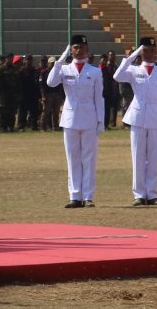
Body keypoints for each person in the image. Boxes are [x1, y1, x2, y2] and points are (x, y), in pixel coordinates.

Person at [46, 34, 105, 208]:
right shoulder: (64, 69)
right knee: (72, 158)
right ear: (71, 50)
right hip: (70, 118)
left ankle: (88, 196)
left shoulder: (95, 71)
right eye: (75, 48)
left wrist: (100, 121)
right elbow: (50, 83)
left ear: (87, 50)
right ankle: (75, 195)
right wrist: (60, 60)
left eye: (82, 48)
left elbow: (99, 98)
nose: (79, 51)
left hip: (89, 117)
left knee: (89, 158)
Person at [113, 38, 157, 206]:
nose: (149, 53)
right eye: (145, 50)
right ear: (141, 51)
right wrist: (132, 56)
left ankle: (152, 193)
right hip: (137, 116)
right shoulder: (133, 70)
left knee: (153, 157)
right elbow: (117, 76)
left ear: (156, 51)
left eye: (152, 49)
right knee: (138, 156)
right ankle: (139, 194)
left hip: (156, 116)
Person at [0, 55, 19, 133]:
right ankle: (3, 126)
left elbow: (17, 81)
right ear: (6, 59)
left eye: (11, 58)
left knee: (12, 111)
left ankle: (11, 126)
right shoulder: (1, 69)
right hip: (4, 94)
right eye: (9, 58)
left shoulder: (14, 68)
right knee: (4, 110)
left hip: (13, 93)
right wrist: (0, 94)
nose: (10, 60)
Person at [17, 55, 42, 131]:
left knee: (34, 111)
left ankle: (34, 126)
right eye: (27, 60)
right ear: (24, 61)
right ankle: (21, 126)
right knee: (22, 111)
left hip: (33, 94)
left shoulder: (35, 70)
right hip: (24, 94)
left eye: (30, 60)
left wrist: (39, 94)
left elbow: (38, 83)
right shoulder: (21, 71)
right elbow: (19, 83)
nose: (29, 61)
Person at [39, 57, 63, 132]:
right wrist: (43, 96)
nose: (53, 65)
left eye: (54, 63)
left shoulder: (58, 72)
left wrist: (61, 95)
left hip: (57, 93)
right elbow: (41, 85)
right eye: (52, 63)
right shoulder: (44, 72)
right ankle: (43, 127)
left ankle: (55, 127)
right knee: (46, 111)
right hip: (48, 94)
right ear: (48, 63)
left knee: (56, 112)